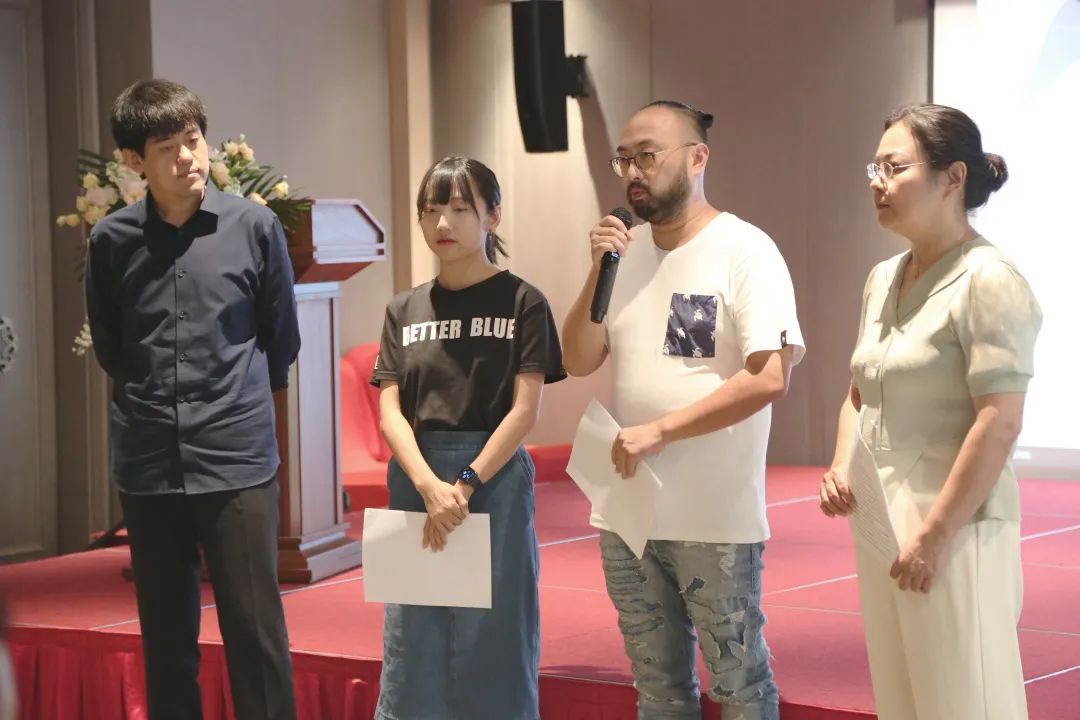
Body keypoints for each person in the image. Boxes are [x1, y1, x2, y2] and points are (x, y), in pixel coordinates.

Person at [562, 100, 804, 720]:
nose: (632, 171)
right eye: (623, 159)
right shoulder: (623, 253)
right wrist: (598, 269)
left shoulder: (745, 250)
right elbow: (578, 357)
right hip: (628, 510)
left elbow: (769, 376)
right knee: (657, 687)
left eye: (647, 155)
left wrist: (662, 430)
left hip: (712, 516)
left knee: (739, 685)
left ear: (698, 158)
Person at [85, 79, 299, 720]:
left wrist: (232, 401)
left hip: (236, 455)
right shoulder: (111, 240)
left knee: (256, 634)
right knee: (167, 638)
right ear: (133, 161)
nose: (187, 157)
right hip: (150, 458)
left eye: (193, 139)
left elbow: (281, 338)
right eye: (167, 147)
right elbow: (112, 347)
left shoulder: (255, 226)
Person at [819, 103, 1041, 720]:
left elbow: (1000, 420)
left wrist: (936, 534)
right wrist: (840, 464)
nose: (878, 182)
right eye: (875, 168)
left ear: (953, 178)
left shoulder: (988, 279)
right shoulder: (882, 277)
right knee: (902, 701)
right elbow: (860, 391)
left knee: (966, 702)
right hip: (882, 520)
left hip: (957, 528)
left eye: (895, 168)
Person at [370, 156, 565, 720]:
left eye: (459, 209)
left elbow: (525, 410)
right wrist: (429, 486)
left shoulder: (525, 301)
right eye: (431, 211)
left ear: (492, 216)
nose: (442, 224)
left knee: (495, 631)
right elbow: (390, 411)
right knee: (413, 634)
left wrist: (464, 483)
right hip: (417, 479)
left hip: (492, 478)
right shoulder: (403, 307)